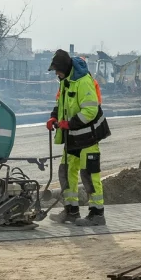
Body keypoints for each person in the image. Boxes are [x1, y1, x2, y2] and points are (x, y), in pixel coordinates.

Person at [47, 49, 112, 226]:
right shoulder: (65, 81)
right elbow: (60, 104)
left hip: (88, 137)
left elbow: (90, 110)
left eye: (57, 70)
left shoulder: (83, 82)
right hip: (73, 137)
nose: (56, 74)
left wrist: (70, 123)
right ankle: (71, 211)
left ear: (66, 68)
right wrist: (54, 116)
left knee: (89, 174)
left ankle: (97, 213)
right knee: (66, 172)